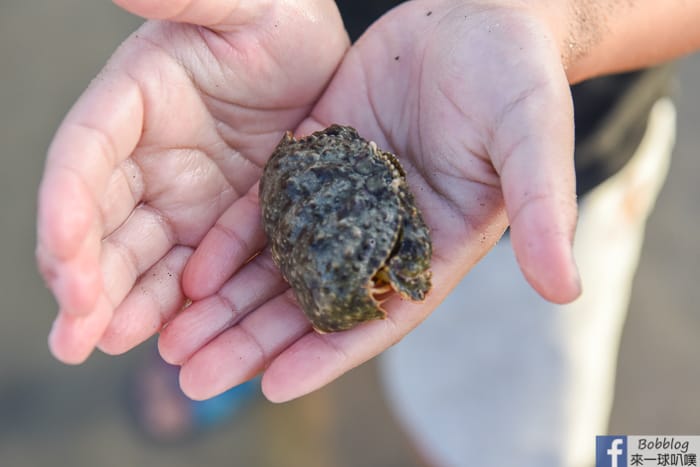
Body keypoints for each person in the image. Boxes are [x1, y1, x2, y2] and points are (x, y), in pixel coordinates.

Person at [36, 0, 700, 464]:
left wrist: (552, 22)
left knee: (496, 440)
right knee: (213, 283)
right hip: (273, 101)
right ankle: (228, 329)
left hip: (534, 155)